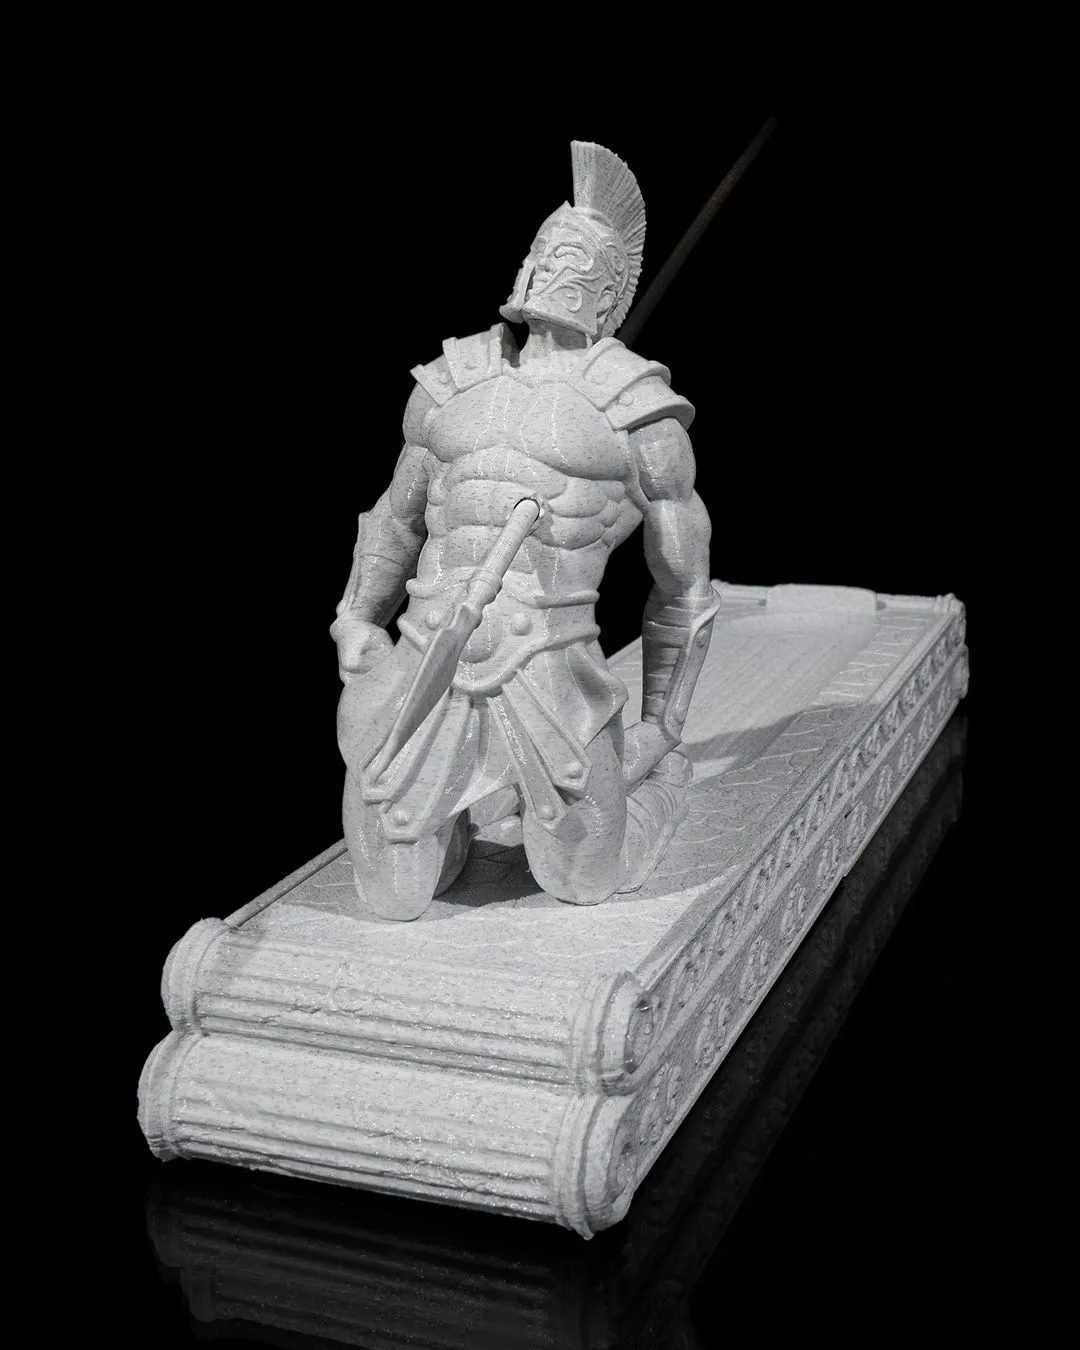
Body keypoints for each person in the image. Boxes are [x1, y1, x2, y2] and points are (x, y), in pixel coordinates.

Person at [332, 142, 719, 920]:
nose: (550, 265)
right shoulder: (450, 383)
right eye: (547, 246)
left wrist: (661, 728)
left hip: (550, 668)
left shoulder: (637, 410)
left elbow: (683, 587)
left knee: (584, 880)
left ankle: (649, 786)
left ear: (608, 290)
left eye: (574, 256)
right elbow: (395, 516)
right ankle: (462, 812)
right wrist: (355, 618)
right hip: (427, 657)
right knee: (393, 895)